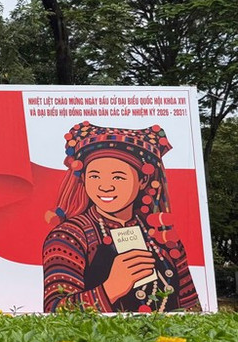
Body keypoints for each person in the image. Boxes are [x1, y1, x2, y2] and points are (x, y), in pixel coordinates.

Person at [42, 122, 200, 313]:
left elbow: (193, 310)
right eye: (94, 176)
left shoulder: (162, 237)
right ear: (83, 179)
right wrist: (111, 288)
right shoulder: (69, 236)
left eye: (118, 177)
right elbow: (53, 311)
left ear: (143, 180)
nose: (105, 186)